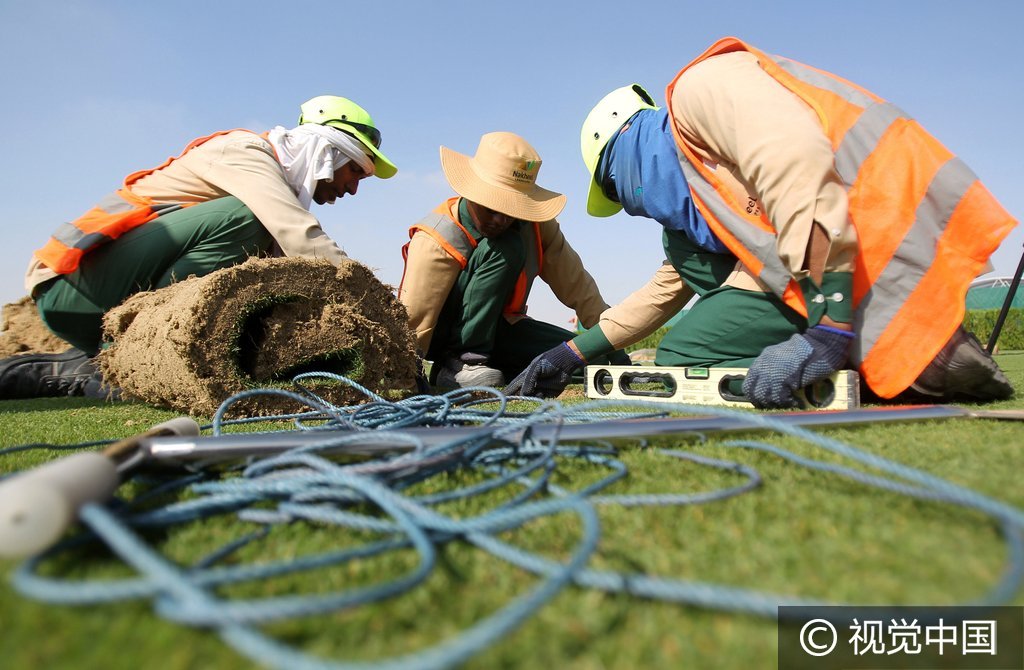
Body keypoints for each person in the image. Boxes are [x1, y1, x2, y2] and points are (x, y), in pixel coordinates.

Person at [506, 37, 1017, 406]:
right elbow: (658, 295)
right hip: (859, 267)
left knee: (683, 354)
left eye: (618, 191)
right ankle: (895, 364)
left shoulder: (698, 91)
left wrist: (831, 325)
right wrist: (569, 353)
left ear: (626, 156)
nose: (632, 208)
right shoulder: (704, 204)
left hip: (877, 232)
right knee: (684, 276)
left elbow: (793, 161)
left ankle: (849, 356)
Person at [0, 95, 397, 399]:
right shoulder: (245, 154)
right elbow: (300, 236)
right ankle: (129, 348)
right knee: (248, 218)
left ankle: (91, 363)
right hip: (73, 284)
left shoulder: (270, 179)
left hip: (96, 292)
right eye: (354, 171)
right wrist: (381, 305)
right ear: (326, 153)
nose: (352, 188)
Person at [397, 131, 627, 388]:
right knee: (507, 246)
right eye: (491, 209)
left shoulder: (538, 227)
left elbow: (577, 284)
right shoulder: (437, 236)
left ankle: (502, 371)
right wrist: (405, 373)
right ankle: (460, 363)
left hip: (502, 329)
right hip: (446, 338)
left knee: (589, 358)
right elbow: (413, 318)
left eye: (511, 210)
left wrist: (612, 340)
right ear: (472, 192)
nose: (500, 220)